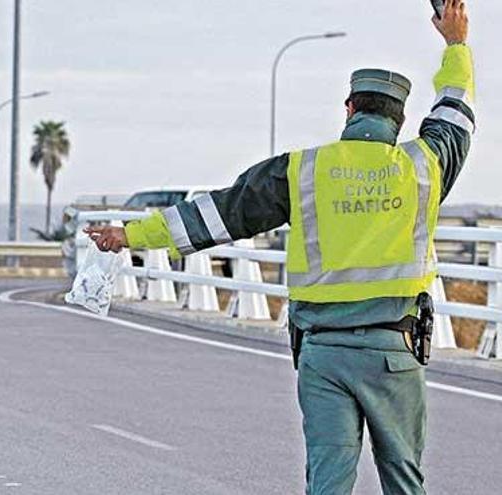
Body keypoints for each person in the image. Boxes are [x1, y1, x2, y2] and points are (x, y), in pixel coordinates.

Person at [86, 1, 473, 493]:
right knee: (403, 480)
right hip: (392, 355)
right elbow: (455, 113)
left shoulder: (301, 171)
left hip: (323, 356)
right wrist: (456, 43)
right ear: (399, 121)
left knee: (327, 483)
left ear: (349, 110)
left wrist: (131, 236)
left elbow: (220, 213)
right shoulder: (423, 167)